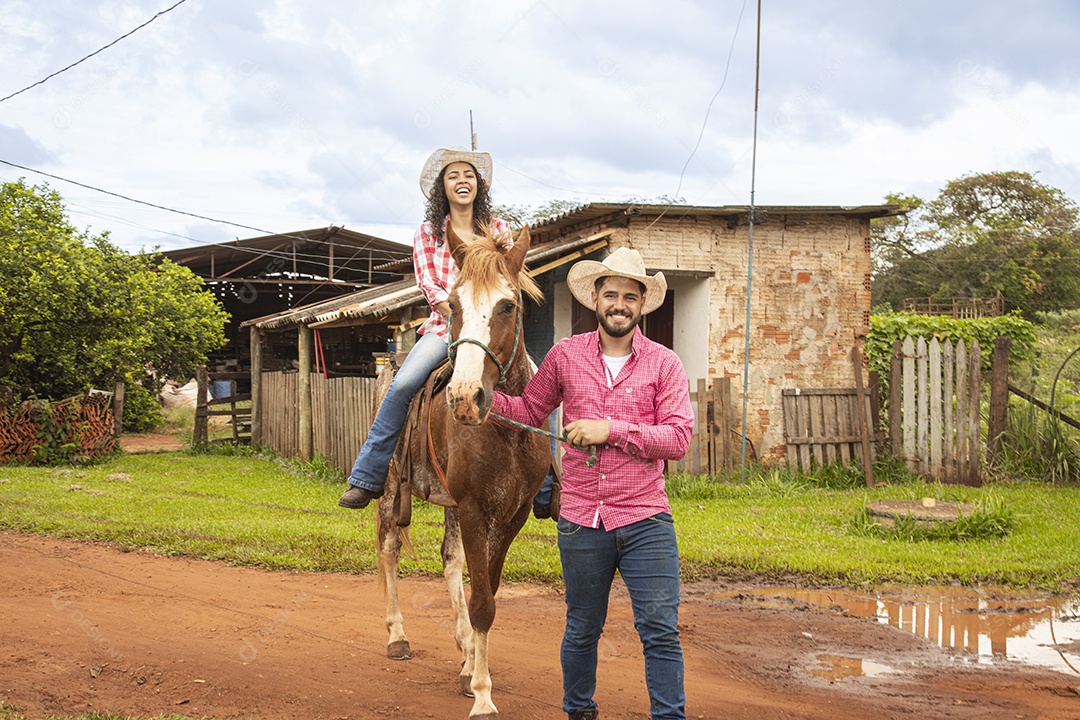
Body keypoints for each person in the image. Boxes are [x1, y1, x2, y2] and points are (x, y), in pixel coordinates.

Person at [489, 248, 694, 720]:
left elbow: (679, 437)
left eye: (629, 296)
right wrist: (482, 399)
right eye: (610, 294)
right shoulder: (565, 355)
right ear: (595, 300)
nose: (619, 304)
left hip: (646, 519)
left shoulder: (664, 364)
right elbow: (527, 412)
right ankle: (578, 711)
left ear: (642, 304)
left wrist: (612, 429)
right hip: (582, 520)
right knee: (582, 628)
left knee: (660, 630)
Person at [338, 147, 511, 509]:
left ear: (478, 185)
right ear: (442, 188)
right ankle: (368, 475)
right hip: (445, 326)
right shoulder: (428, 233)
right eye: (453, 176)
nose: (462, 181)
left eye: (468, 175)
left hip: (490, 327)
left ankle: (549, 484)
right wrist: (459, 315)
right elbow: (430, 285)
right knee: (401, 384)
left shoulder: (497, 229)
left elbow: (507, 276)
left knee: (537, 379)